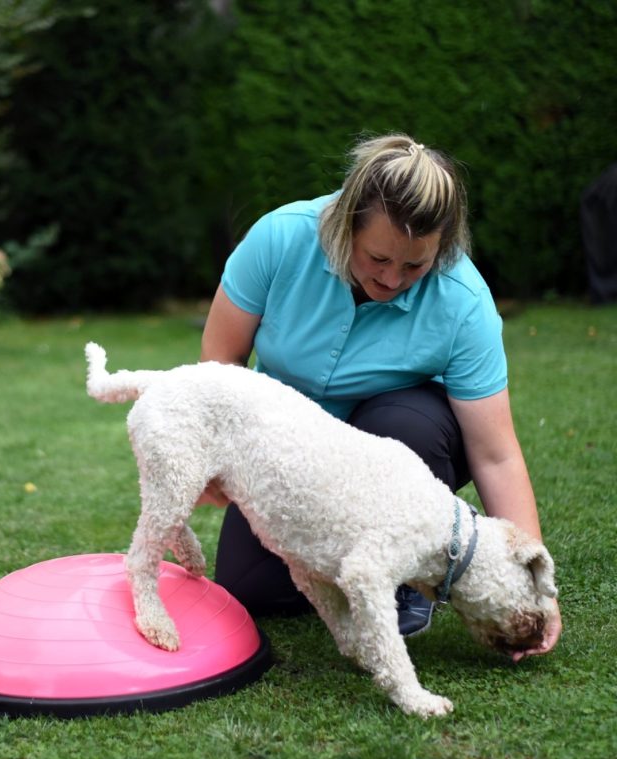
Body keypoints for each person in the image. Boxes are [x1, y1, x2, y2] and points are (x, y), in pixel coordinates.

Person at [198, 133, 562, 660]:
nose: (392, 279)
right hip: (289, 454)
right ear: (346, 223)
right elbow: (219, 367)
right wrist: (220, 459)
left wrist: (537, 589)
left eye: (415, 266)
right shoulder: (278, 239)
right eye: (378, 258)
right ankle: (374, 565)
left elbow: (496, 452)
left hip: (404, 440)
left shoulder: (464, 301)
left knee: (406, 422)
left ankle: (413, 573)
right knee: (250, 589)